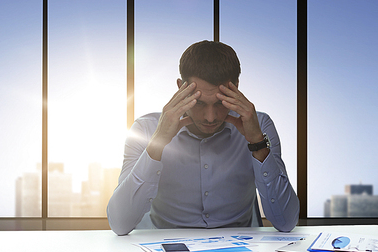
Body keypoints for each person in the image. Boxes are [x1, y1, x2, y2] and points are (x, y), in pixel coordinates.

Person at [107, 40, 299, 236]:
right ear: (181, 88)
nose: (210, 117)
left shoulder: (260, 125)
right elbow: (120, 224)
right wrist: (158, 142)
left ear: (236, 88)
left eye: (219, 103)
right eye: (198, 103)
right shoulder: (145, 129)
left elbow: (286, 222)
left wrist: (257, 143)